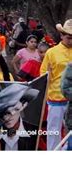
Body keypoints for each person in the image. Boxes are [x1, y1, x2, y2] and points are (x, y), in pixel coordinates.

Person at [40, 19, 72, 150]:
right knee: (54, 132)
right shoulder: (51, 52)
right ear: (62, 35)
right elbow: (43, 74)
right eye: (69, 37)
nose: (71, 40)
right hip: (56, 98)